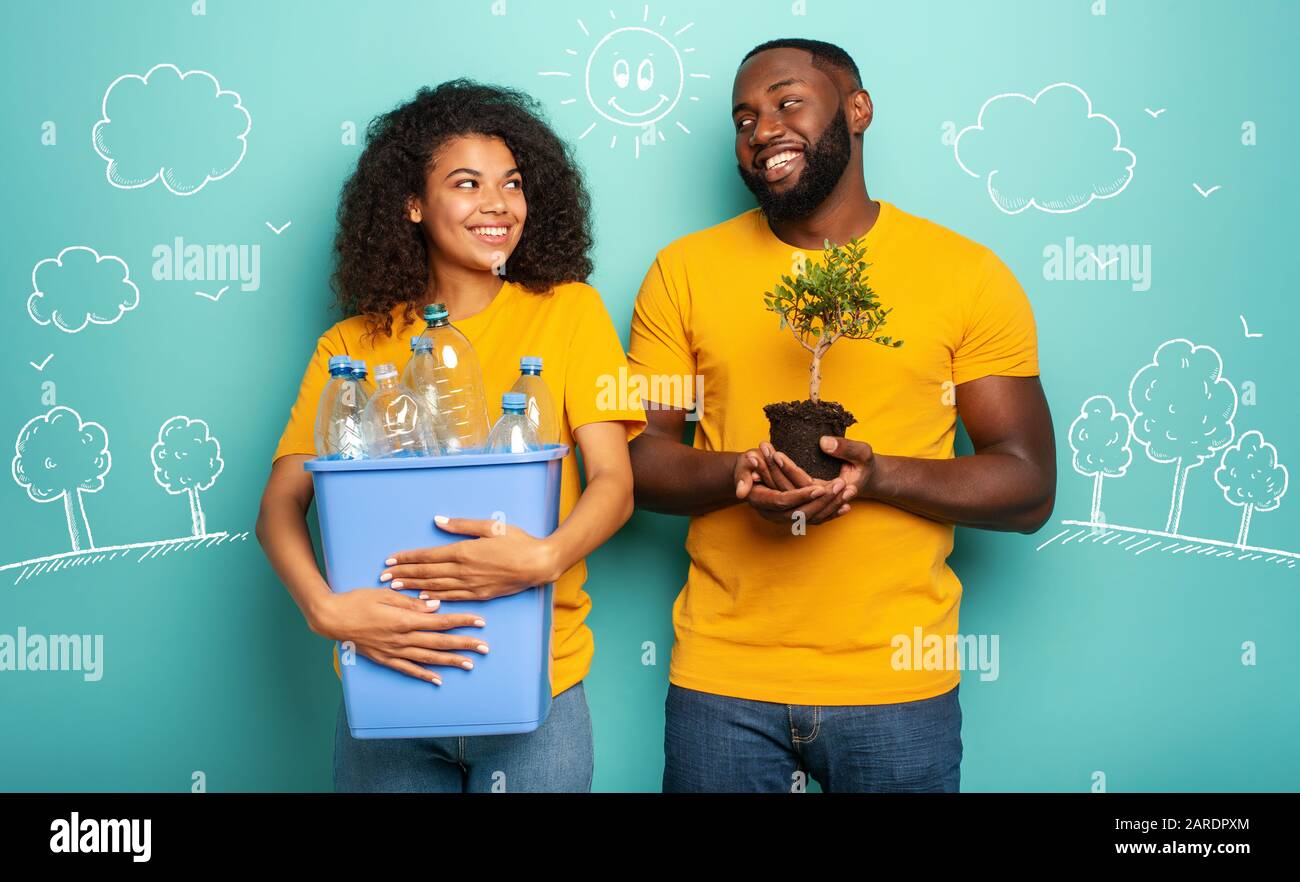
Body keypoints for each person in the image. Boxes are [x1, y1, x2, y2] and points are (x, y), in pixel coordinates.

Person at [626, 39, 1056, 792]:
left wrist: (877, 474)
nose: (762, 130)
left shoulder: (968, 276)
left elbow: (1028, 488)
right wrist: (741, 473)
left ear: (857, 111)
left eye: (788, 102)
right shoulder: (682, 272)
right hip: (722, 680)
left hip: (897, 683)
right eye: (744, 117)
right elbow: (638, 458)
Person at [255, 80, 645, 792]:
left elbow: (615, 484)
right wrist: (327, 610)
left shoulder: (570, 314)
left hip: (538, 688)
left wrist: (543, 558)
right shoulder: (351, 344)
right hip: (384, 680)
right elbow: (279, 506)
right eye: (467, 184)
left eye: (513, 184)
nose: (498, 205)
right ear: (412, 204)